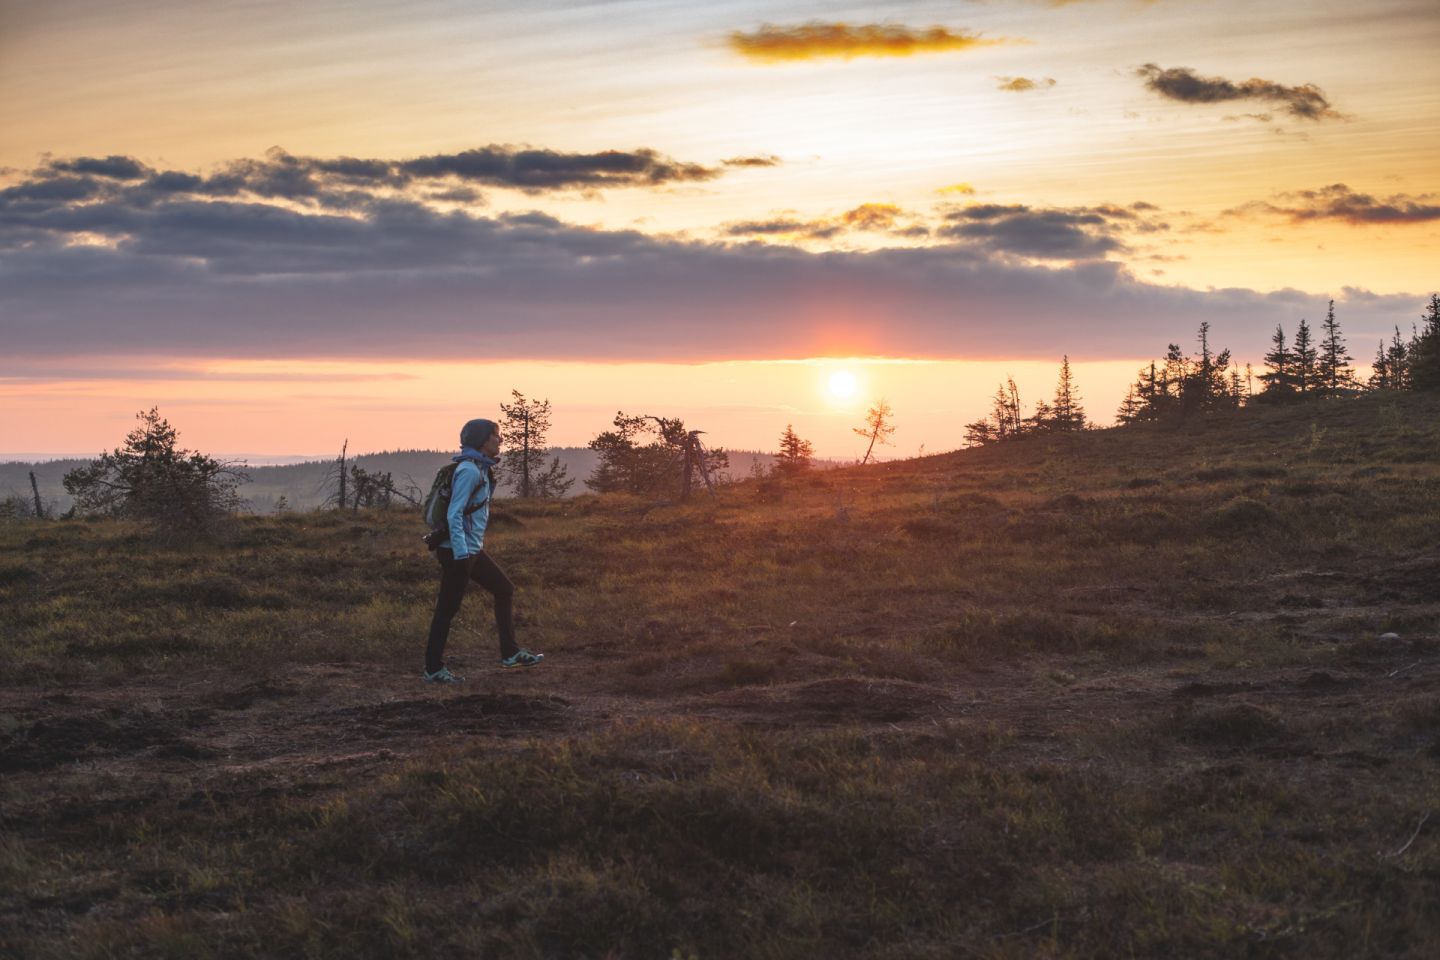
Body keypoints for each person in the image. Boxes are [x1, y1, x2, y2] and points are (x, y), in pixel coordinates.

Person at [423, 417, 543, 683]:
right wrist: (461, 553)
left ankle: (510, 653)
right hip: (458, 551)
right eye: (495, 435)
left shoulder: (479, 468)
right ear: (482, 440)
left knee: (504, 589)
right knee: (447, 609)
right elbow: (454, 514)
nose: (500, 440)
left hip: (469, 549)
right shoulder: (469, 471)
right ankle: (433, 669)